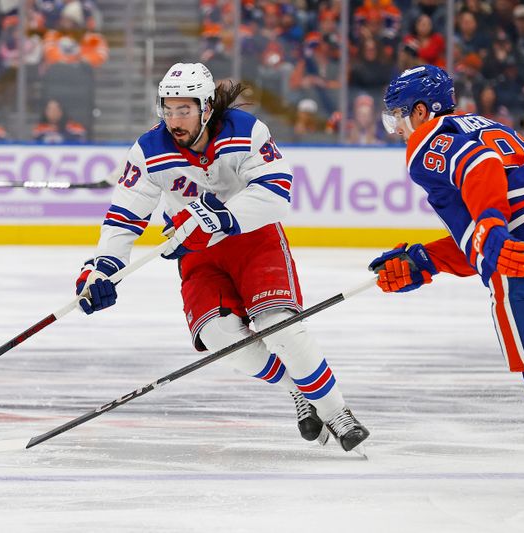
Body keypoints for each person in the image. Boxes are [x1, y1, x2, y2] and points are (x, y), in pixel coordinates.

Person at [74, 62, 370, 452]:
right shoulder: (148, 150)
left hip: (253, 239)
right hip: (198, 255)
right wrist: (101, 269)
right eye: (168, 108)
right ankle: (300, 387)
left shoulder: (246, 130)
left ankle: (336, 412)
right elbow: (124, 215)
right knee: (219, 338)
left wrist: (218, 219)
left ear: (207, 107)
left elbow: (277, 189)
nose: (174, 119)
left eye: (184, 109)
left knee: (278, 325)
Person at [372, 64, 524, 477]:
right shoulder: (491, 125)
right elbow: (485, 236)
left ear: (421, 111)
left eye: (399, 116)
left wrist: (491, 222)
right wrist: (426, 261)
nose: (398, 129)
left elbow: (479, 168)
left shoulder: (427, 138)